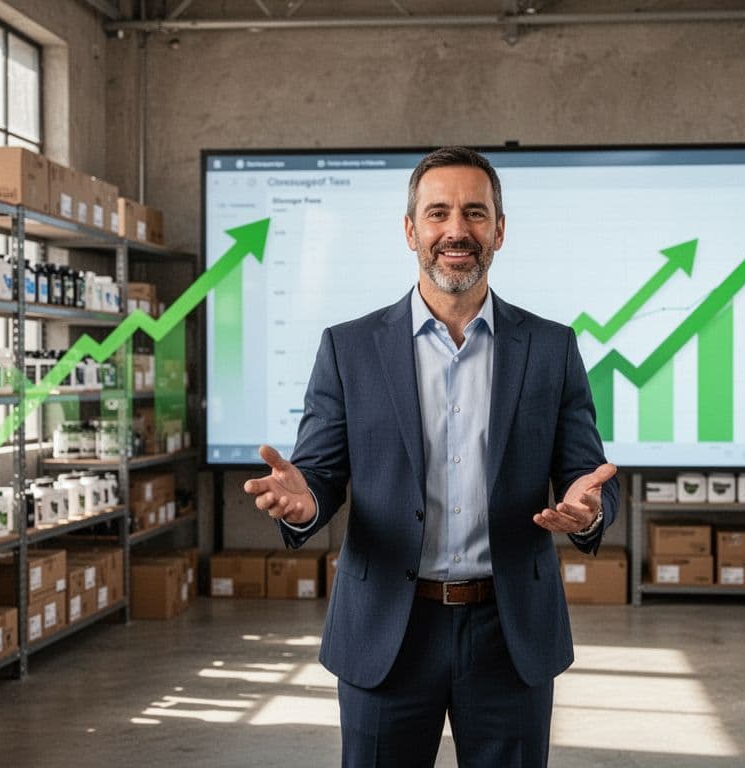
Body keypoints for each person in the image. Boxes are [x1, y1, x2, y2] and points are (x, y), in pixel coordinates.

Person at [242, 146, 619, 767]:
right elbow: (320, 474)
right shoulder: (349, 348)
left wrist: (590, 508)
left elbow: (588, 470)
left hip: (510, 631)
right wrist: (304, 500)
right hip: (388, 629)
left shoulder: (550, 348)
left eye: (475, 213)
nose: (456, 230)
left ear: (499, 229)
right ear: (411, 229)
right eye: (438, 212)